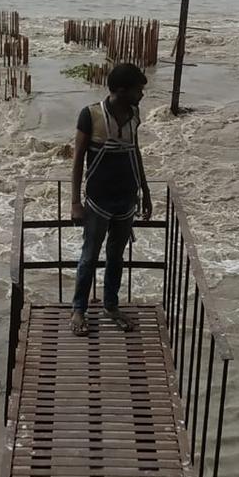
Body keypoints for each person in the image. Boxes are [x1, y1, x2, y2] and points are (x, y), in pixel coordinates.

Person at [70, 64, 153, 337]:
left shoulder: (134, 114)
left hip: (127, 199)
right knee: (89, 257)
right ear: (120, 90)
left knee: (116, 257)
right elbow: (78, 159)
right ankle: (79, 310)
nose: (142, 94)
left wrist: (145, 190)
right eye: (138, 90)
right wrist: (75, 203)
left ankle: (111, 306)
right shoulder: (91, 115)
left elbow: (135, 151)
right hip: (98, 201)